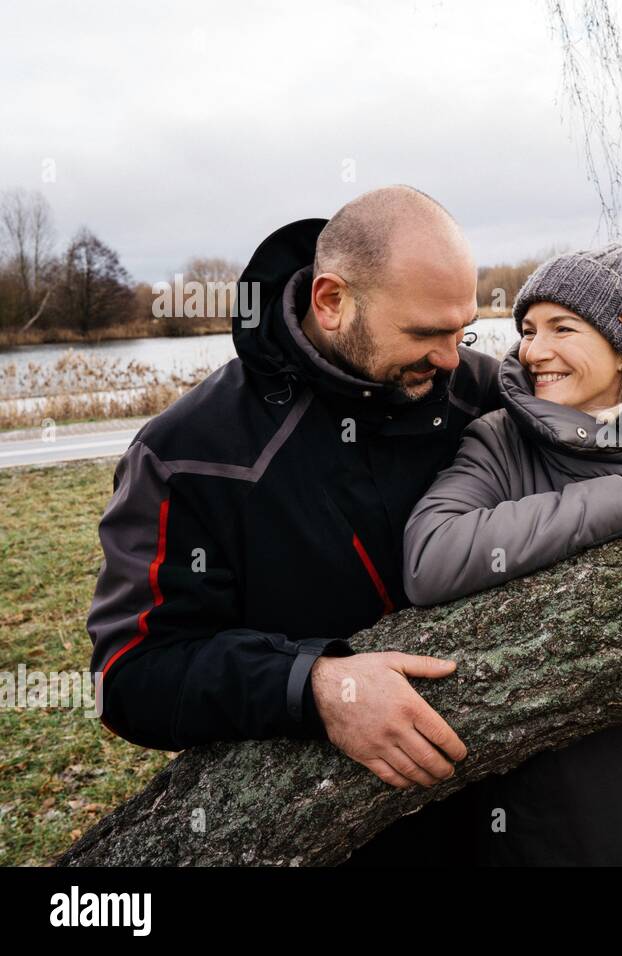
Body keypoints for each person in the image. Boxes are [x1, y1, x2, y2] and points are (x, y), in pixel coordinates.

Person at [87, 186, 497, 793]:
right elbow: (131, 676)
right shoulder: (188, 454)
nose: (450, 360)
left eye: (463, 331)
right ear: (330, 301)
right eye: (425, 334)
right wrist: (314, 685)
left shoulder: (480, 392)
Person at [396, 243, 622, 866]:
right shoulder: (500, 442)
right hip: (553, 811)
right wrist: (620, 502)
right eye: (529, 330)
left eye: (564, 328)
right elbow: (430, 556)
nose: (534, 351)